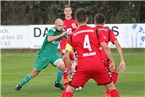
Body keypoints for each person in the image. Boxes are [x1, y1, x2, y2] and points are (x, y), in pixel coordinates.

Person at [61, 8, 120, 97]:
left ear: (76, 20)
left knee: (69, 90)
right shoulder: (96, 31)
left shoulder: (71, 36)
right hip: (98, 65)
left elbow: (66, 56)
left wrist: (69, 69)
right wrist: (112, 61)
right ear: (87, 19)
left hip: (82, 67)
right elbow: (106, 47)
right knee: (111, 87)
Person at [15, 18, 66, 91]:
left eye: (62, 26)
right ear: (55, 25)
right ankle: (20, 85)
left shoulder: (62, 31)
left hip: (53, 54)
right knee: (34, 73)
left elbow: (70, 37)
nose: (61, 27)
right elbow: (49, 39)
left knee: (62, 66)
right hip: (44, 55)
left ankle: (57, 83)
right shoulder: (52, 30)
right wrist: (61, 35)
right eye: (60, 26)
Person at [94, 13, 126, 97]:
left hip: (91, 60)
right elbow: (117, 45)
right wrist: (122, 60)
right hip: (104, 60)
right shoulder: (108, 31)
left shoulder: (91, 31)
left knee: (73, 85)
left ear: (94, 22)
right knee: (114, 71)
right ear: (104, 22)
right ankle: (108, 93)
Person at [60, 5, 77, 85]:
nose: (67, 12)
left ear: (71, 12)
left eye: (69, 10)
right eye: (66, 10)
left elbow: (79, 32)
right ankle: (65, 78)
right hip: (64, 44)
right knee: (65, 59)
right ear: (64, 12)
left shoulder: (75, 22)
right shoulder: (61, 23)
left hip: (72, 44)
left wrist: (76, 28)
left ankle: (72, 77)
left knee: (73, 61)